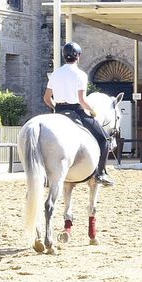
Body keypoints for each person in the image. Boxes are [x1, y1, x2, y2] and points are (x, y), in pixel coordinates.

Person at [42, 42, 113, 186]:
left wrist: (57, 108)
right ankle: (101, 173)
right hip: (76, 111)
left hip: (60, 111)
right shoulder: (80, 74)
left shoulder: (55, 74)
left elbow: (46, 98)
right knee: (104, 139)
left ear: (64, 56)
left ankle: (45, 175)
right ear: (78, 57)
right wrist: (92, 111)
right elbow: (82, 100)